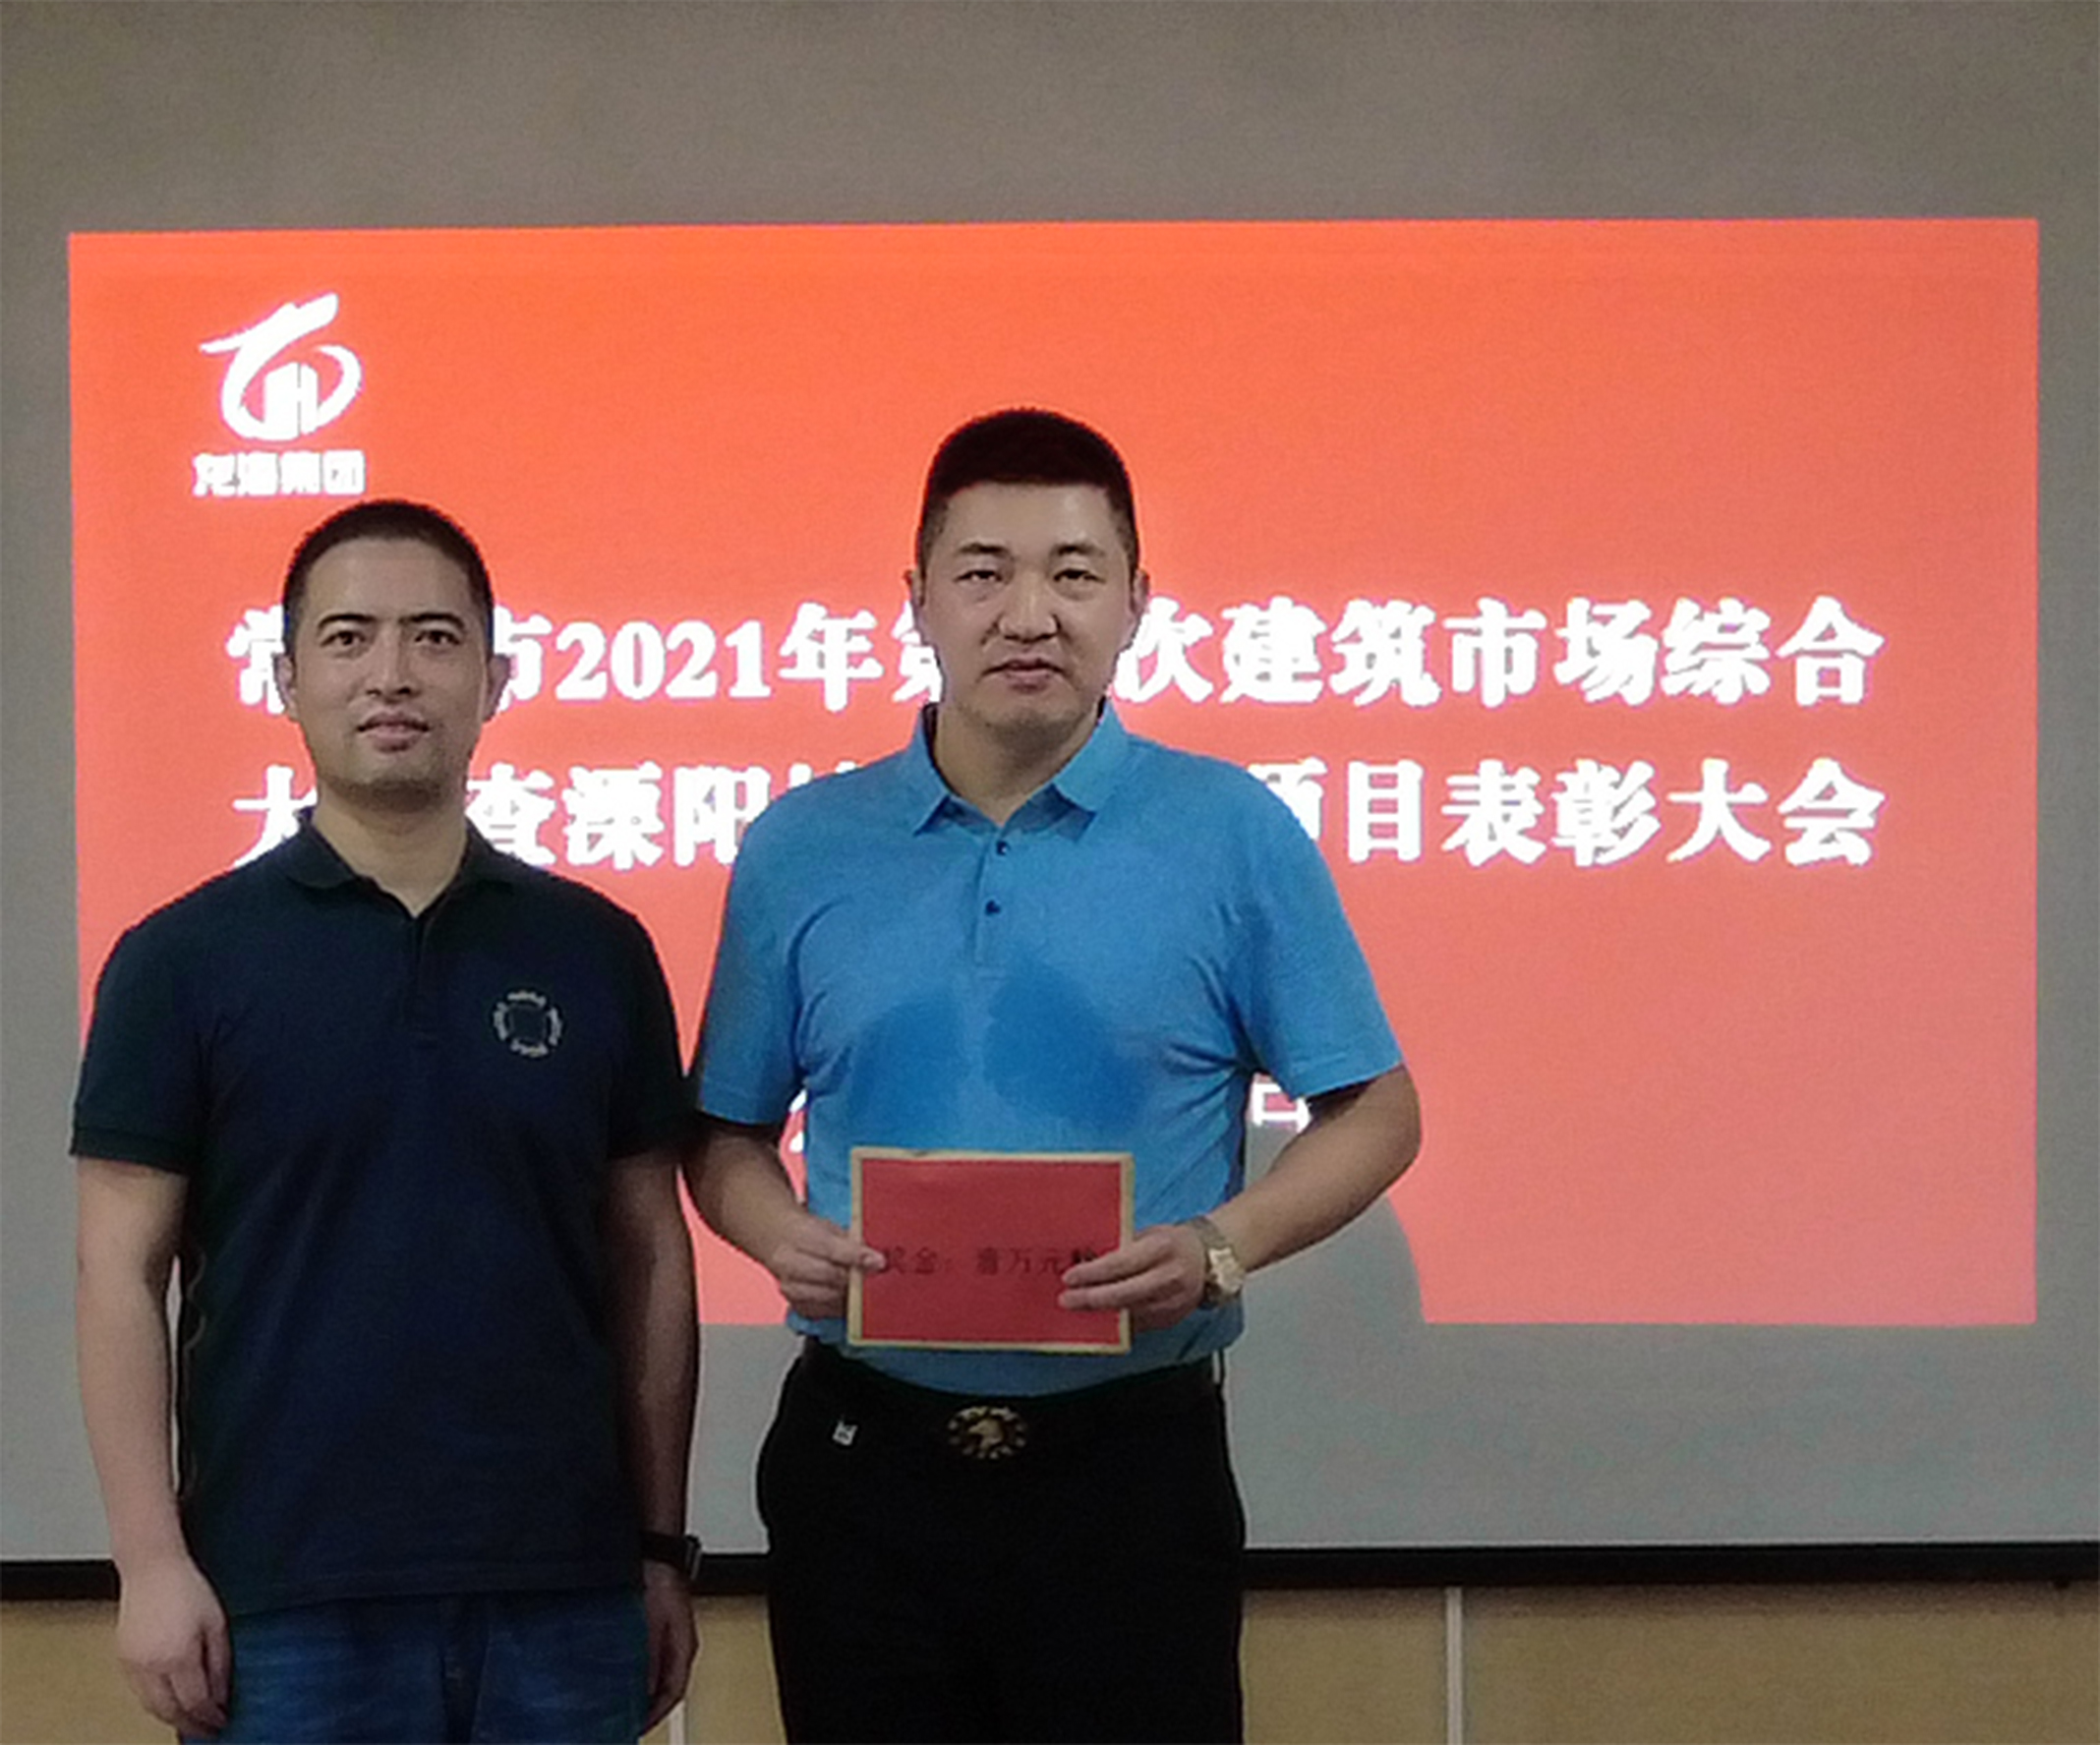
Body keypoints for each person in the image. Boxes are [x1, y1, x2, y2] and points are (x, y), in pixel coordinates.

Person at [688, 409, 1422, 1743]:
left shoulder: (1231, 831)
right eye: (983, 572)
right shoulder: (803, 844)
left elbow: (1376, 1110)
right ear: (916, 599)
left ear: (1138, 601)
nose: (1028, 613)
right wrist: (772, 1229)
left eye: (1074, 573)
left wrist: (1221, 1245)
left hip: (1129, 1473)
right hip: (864, 1468)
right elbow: (723, 1133)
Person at [73, 499, 700, 1744]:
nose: (394, 674)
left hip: (564, 1588)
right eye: (349, 637)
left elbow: (649, 1253)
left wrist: (657, 1545)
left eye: (435, 636)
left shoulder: (596, 948)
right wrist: (149, 1559)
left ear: (495, 678)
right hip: (281, 1595)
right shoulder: (180, 958)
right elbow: (117, 1271)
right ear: (285, 678)